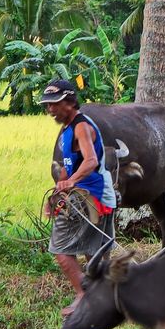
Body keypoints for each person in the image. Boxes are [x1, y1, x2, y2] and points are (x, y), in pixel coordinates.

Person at [39, 79, 117, 316]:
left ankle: (84, 296)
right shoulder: (66, 131)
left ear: (70, 102)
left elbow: (91, 161)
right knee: (93, 252)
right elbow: (67, 167)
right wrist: (56, 194)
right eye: (48, 105)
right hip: (84, 195)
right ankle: (101, 298)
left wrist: (71, 182)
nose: (50, 110)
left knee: (61, 250)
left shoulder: (82, 127)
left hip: (91, 196)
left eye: (55, 104)